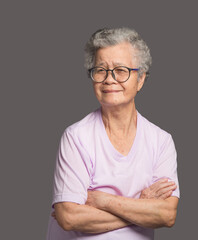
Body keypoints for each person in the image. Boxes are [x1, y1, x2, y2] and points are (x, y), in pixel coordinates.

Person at [46, 27, 180, 240]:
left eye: (121, 70)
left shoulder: (161, 141)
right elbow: (69, 217)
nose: (109, 79)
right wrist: (141, 207)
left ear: (141, 79)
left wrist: (101, 201)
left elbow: (166, 214)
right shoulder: (76, 137)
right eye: (100, 70)